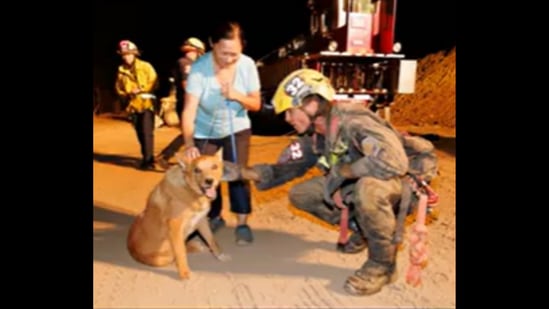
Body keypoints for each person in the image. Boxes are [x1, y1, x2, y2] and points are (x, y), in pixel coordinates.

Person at [237, 68, 438, 295]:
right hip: (364, 181)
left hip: (398, 182)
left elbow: (394, 162)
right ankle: (363, 228)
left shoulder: (354, 120)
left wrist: (345, 171)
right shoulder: (314, 136)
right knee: (302, 194)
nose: (287, 119)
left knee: (368, 190)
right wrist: (240, 173)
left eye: (290, 111)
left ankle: (383, 265)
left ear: (311, 104)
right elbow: (283, 169)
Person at [181, 21, 262, 245]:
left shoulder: (247, 66)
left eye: (234, 54)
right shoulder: (199, 69)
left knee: (237, 175)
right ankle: (213, 217)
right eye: (223, 53)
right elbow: (189, 110)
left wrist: (237, 95)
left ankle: (243, 222)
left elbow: (255, 104)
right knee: (205, 176)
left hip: (237, 128)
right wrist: (189, 144)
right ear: (212, 45)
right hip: (205, 128)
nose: (229, 59)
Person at [156, 37, 206, 169]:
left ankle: (169, 156)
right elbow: (187, 84)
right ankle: (166, 156)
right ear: (197, 51)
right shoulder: (186, 63)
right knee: (192, 132)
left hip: (191, 103)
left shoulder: (190, 64)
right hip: (189, 103)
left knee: (193, 133)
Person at [114, 40, 159, 170]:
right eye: (123, 54)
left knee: (146, 132)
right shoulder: (121, 70)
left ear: (135, 54)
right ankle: (146, 156)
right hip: (132, 106)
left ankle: (148, 161)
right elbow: (118, 88)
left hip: (146, 104)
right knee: (140, 133)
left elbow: (154, 81)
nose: (125, 57)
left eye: (128, 54)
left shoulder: (146, 66)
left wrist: (141, 88)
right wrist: (127, 92)